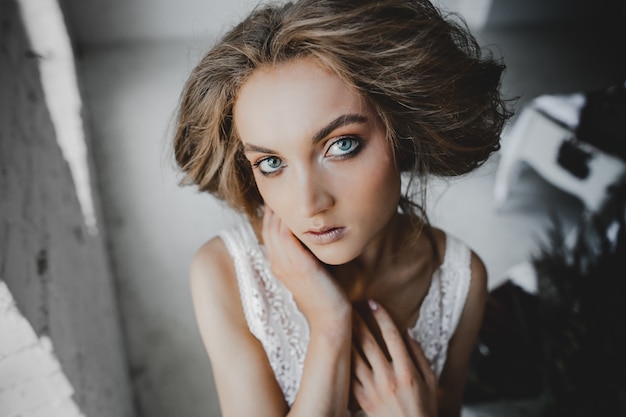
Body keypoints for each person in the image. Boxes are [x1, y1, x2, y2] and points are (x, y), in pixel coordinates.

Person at [173, 0, 511, 416]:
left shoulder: (459, 280)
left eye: (342, 145)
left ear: (400, 131)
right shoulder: (226, 272)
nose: (309, 204)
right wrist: (330, 328)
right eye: (271, 163)